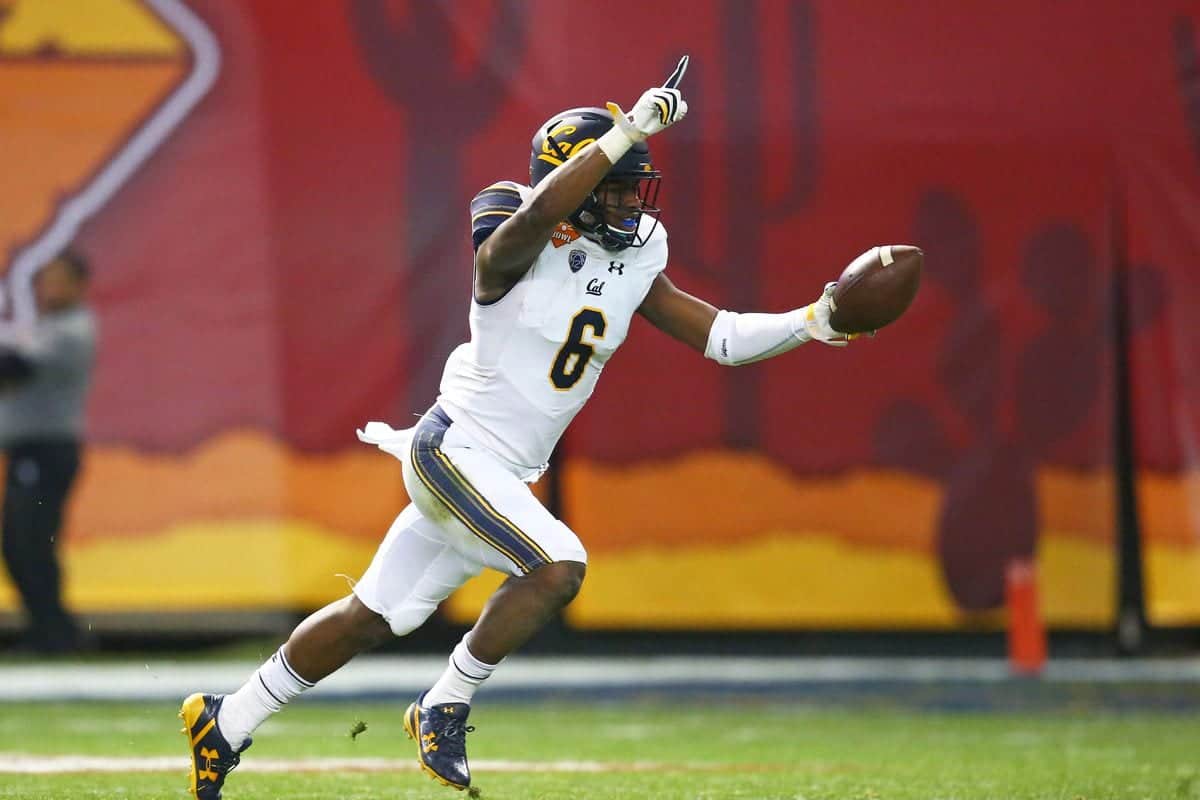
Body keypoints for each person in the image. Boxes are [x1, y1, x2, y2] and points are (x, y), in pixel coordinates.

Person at [181, 58, 852, 798]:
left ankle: (226, 719)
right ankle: (445, 703)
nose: (634, 202)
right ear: (577, 185)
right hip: (455, 451)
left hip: (499, 470)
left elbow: (719, 336)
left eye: (637, 185)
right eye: (620, 186)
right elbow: (527, 226)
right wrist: (623, 129)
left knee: (372, 617)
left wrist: (814, 322)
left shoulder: (639, 254)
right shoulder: (510, 216)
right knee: (558, 565)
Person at [0, 249, 97, 654]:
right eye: (45, 280)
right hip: (28, 454)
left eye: (59, 280)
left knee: (32, 541)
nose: (49, 289)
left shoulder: (73, 329)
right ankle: (48, 630)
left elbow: (14, 367)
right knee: (17, 543)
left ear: (79, 285)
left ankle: (56, 635)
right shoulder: (43, 327)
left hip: (47, 453)